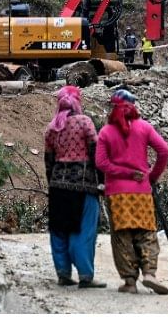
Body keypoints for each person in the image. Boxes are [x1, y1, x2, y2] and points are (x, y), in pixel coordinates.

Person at [96, 89, 168, 295]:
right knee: (146, 233)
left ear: (113, 108)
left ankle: (130, 282)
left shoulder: (106, 132)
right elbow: (164, 151)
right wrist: (151, 176)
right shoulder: (144, 127)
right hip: (141, 192)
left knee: (122, 237)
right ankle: (149, 274)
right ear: (134, 106)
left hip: (117, 194)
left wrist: (124, 173)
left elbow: (101, 163)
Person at [44, 86, 106, 288]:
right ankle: (85, 276)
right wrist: (101, 180)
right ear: (78, 102)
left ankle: (63, 274)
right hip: (83, 186)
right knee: (83, 231)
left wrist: (52, 184)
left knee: (59, 230)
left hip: (57, 187)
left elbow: (49, 161)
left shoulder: (52, 127)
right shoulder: (85, 122)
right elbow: (97, 153)